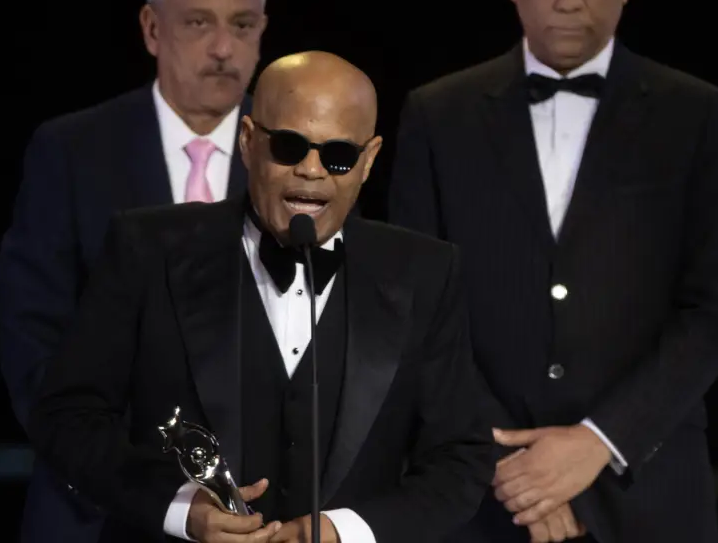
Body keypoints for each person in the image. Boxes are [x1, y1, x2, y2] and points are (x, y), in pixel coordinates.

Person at [27, 51, 496, 543]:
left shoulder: (425, 272)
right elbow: (68, 417)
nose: (311, 171)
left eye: (338, 155)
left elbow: (460, 459)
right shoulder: (147, 251)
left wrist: (344, 530)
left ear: (369, 160)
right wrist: (179, 508)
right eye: (290, 147)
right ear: (249, 141)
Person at [387, 0, 718, 542]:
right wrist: (512, 467)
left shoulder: (698, 115)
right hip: (479, 498)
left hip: (649, 496)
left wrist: (600, 442)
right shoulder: (437, 114)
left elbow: (713, 312)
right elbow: (415, 310)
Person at [0, 0, 267, 541]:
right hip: (95, 511)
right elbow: (33, 343)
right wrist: (149, 491)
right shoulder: (70, 152)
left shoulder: (293, 160)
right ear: (152, 28)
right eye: (199, 23)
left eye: (242, 25)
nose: (224, 47)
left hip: (258, 511)